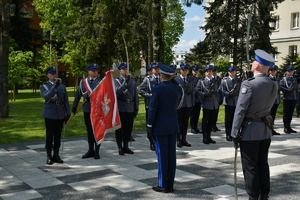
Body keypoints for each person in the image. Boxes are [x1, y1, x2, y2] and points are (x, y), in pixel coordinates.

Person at [231, 49, 277, 200]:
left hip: (250, 131)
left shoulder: (248, 84)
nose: (251, 64)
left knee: (250, 166)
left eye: (253, 62)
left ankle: (253, 195)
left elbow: (240, 110)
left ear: (256, 65)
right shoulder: (273, 84)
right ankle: (264, 193)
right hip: (265, 130)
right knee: (263, 163)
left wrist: (234, 132)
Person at [147, 64, 183, 193]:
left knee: (162, 157)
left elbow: (152, 110)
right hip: (173, 126)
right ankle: (170, 184)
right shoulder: (178, 89)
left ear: (161, 75)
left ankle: (163, 185)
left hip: (160, 127)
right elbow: (179, 105)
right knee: (171, 156)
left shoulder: (157, 89)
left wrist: (149, 127)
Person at [40, 66, 70, 165]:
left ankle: (56, 155)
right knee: (50, 135)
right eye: (52, 73)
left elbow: (65, 100)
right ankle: (49, 155)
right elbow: (46, 96)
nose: (54, 75)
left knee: (58, 136)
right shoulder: (44, 86)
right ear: (47, 75)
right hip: (50, 113)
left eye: (55, 73)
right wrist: (54, 86)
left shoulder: (62, 86)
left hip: (60, 113)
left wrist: (68, 112)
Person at [72, 63, 102, 159]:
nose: (95, 72)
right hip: (87, 109)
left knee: (97, 130)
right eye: (93, 70)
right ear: (89, 72)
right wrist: (74, 105)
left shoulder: (101, 82)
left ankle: (97, 150)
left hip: (98, 110)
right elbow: (78, 94)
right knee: (89, 130)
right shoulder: (83, 82)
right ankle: (90, 150)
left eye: (96, 70)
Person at [115, 63, 139, 155]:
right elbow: (117, 91)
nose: (125, 71)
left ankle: (126, 146)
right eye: (123, 69)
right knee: (119, 128)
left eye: (127, 69)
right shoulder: (116, 81)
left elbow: (135, 95)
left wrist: (136, 107)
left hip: (130, 107)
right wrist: (125, 83)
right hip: (120, 106)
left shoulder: (132, 81)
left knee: (128, 128)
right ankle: (120, 146)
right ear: (120, 71)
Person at [137, 62, 160, 151]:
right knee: (151, 124)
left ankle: (158, 140)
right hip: (151, 105)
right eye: (155, 68)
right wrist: (148, 95)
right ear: (152, 70)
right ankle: (152, 142)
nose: (157, 70)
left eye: (158, 68)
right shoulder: (148, 79)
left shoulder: (162, 78)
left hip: (161, 106)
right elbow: (140, 89)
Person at [195, 65, 219, 144]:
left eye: (210, 71)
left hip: (214, 103)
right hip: (206, 103)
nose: (209, 73)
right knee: (205, 121)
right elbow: (197, 91)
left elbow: (217, 91)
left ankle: (209, 136)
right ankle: (205, 137)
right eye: (207, 71)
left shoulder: (215, 81)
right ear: (205, 73)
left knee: (211, 121)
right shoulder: (201, 81)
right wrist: (204, 95)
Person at [174, 63, 195, 147]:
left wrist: (192, 103)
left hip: (188, 103)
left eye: (186, 70)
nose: (185, 71)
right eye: (183, 70)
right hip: (179, 104)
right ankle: (178, 139)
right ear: (180, 71)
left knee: (185, 122)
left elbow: (192, 92)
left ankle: (184, 139)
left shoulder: (190, 80)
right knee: (178, 122)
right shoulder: (176, 79)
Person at [220, 66, 240, 141]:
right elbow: (222, 90)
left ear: (235, 72)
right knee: (228, 119)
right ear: (228, 72)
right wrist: (229, 94)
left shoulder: (238, 80)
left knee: (236, 119)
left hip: (236, 102)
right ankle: (228, 134)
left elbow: (241, 89)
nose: (232, 72)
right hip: (228, 102)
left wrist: (236, 94)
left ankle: (234, 133)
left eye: (233, 71)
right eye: (230, 71)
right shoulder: (224, 80)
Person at [280, 66, 298, 134]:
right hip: (287, 98)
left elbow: (296, 89)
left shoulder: (294, 79)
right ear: (286, 72)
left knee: (290, 113)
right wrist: (286, 90)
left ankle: (289, 127)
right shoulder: (284, 79)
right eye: (289, 71)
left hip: (293, 98)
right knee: (286, 114)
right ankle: (285, 127)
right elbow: (281, 86)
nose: (291, 72)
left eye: (292, 71)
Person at [268, 65, 281, 135]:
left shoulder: (278, 79)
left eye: (274, 70)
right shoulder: (267, 79)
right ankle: (268, 129)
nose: (273, 71)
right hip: (270, 100)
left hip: (276, 100)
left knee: (273, 115)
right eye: (272, 70)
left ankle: (272, 129)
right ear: (269, 71)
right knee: (269, 116)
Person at [190, 65, 202, 134]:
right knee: (193, 115)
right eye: (194, 70)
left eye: (196, 70)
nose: (195, 72)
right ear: (192, 71)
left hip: (199, 99)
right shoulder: (190, 79)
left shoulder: (200, 79)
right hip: (193, 99)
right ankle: (192, 128)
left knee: (197, 114)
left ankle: (196, 127)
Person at [211, 66, 222, 132]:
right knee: (211, 114)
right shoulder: (210, 79)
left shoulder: (218, 78)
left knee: (216, 113)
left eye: (215, 71)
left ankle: (214, 125)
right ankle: (211, 126)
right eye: (213, 71)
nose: (214, 72)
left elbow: (220, 89)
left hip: (217, 99)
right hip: (211, 98)